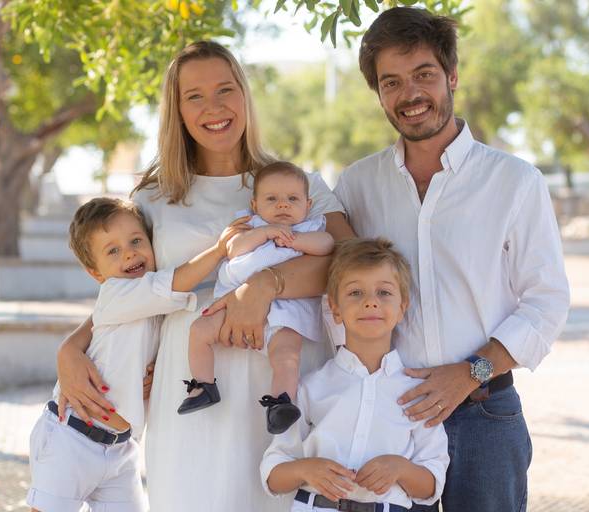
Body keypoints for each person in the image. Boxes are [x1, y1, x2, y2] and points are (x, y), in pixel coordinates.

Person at [53, 41, 352, 511]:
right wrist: (72, 346)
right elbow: (129, 290)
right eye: (194, 96)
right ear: (177, 110)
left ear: (245, 96)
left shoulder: (299, 185)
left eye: (225, 90)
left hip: (281, 380)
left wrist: (262, 288)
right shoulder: (151, 198)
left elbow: (348, 265)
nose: (213, 108)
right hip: (189, 390)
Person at [333, 7, 571, 511]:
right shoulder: (356, 186)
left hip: (486, 413)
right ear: (378, 93)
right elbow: (330, 289)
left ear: (452, 76)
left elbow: (546, 302)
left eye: (424, 75)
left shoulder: (514, 182)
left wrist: (470, 372)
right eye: (391, 82)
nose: (410, 95)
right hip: (390, 414)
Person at [26, 197, 247, 511]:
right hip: (71, 438)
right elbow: (178, 281)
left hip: (119, 449)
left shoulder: (150, 304)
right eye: (112, 250)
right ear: (95, 273)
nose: (129, 252)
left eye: (136, 240)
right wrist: (220, 249)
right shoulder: (118, 294)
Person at [261, 238, 449, 512]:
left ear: (402, 307)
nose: (370, 302)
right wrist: (305, 469)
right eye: (355, 293)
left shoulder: (418, 394)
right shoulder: (311, 387)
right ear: (335, 308)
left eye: (384, 293)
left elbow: (432, 484)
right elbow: (273, 473)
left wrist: (401, 469)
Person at [179, 161, 335, 437]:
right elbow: (233, 250)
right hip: (234, 303)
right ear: (255, 204)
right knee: (199, 330)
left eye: (292, 199)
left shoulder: (311, 228)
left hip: (288, 311)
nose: (283, 205)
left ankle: (280, 403)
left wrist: (296, 241)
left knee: (287, 356)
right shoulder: (249, 225)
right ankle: (203, 385)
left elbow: (328, 246)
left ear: (308, 204)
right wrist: (263, 233)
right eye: (272, 199)